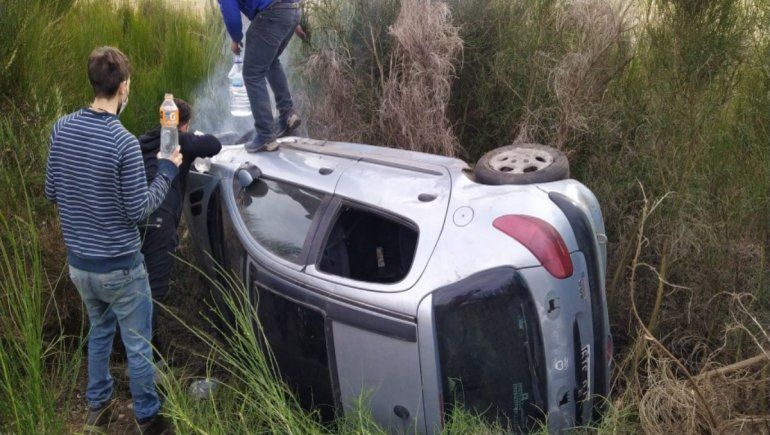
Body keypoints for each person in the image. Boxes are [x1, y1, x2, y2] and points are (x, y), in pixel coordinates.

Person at [44, 46, 181, 435]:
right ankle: (149, 419)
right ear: (124, 87)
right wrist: (167, 171)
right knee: (138, 345)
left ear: (93, 83)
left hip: (80, 267)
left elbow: (52, 191)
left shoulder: (61, 128)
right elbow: (141, 211)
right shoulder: (122, 142)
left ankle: (98, 407)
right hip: (121, 268)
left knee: (100, 331)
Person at [137, 98, 222, 360]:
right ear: (182, 124)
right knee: (155, 290)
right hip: (160, 222)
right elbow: (213, 145)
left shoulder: (143, 140)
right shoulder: (179, 140)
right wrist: (193, 136)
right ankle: (146, 356)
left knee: (139, 286)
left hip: (136, 218)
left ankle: (141, 346)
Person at [218, 0, 303, 152]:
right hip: (292, 9)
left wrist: (235, 38)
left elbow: (230, 13)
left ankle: (265, 135)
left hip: (272, 13)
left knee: (252, 74)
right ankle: (288, 114)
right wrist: (293, 19)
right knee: (270, 61)